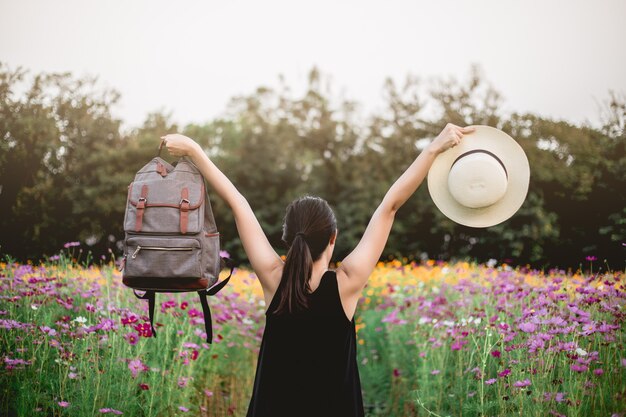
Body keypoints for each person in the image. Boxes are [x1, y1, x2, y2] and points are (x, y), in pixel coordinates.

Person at [161, 123, 475, 417]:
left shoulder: (274, 279)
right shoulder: (346, 283)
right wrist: (433, 149)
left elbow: (238, 202)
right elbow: (390, 205)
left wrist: (195, 151)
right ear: (333, 238)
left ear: (287, 239)